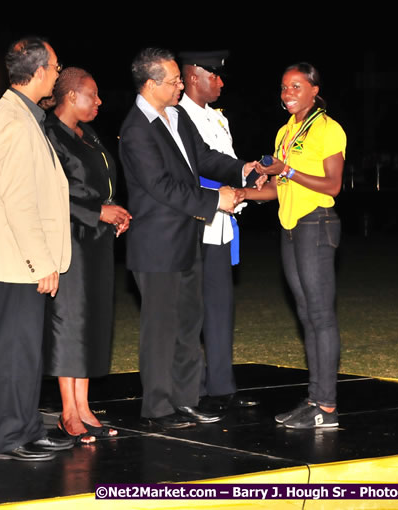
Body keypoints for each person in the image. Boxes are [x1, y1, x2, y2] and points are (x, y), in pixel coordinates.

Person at [118, 48, 253, 430]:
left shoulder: (177, 116)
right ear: (151, 84)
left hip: (187, 238)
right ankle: (158, 409)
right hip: (156, 245)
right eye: (175, 80)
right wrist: (215, 200)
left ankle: (186, 399)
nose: (181, 85)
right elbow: (162, 187)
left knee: (189, 324)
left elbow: (205, 158)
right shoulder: (136, 129)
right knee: (161, 329)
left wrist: (243, 169)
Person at [0, 37, 74, 461]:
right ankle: (9, 437)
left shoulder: (24, 114)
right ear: (38, 72)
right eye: (55, 67)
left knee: (28, 350)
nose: (57, 73)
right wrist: (40, 262)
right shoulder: (15, 120)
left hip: (22, 261)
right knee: (16, 352)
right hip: (18, 262)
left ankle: (28, 427)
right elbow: (19, 201)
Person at [242, 63, 346, 429]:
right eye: (285, 87)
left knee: (321, 315)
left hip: (316, 223)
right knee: (306, 315)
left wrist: (286, 170)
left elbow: (332, 185)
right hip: (290, 227)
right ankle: (314, 399)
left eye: (296, 86)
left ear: (315, 90)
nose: (288, 93)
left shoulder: (328, 129)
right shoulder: (286, 132)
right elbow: (278, 189)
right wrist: (244, 192)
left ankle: (327, 407)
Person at [40, 68, 132, 442]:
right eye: (92, 95)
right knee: (70, 322)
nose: (99, 101)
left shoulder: (88, 134)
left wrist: (115, 211)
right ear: (71, 96)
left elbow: (98, 182)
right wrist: (97, 212)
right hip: (70, 240)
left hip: (97, 240)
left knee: (93, 320)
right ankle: (68, 413)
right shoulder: (48, 134)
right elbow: (48, 194)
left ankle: (83, 406)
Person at [177, 50, 258, 412]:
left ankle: (222, 388)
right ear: (194, 77)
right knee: (190, 312)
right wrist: (242, 173)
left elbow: (226, 163)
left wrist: (248, 178)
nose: (221, 82)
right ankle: (191, 391)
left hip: (221, 224)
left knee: (221, 308)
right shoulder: (177, 116)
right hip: (193, 223)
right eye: (215, 75)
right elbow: (198, 167)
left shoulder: (217, 118)